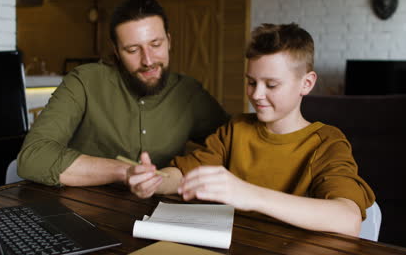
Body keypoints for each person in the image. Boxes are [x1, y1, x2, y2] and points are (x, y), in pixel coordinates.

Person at [126, 23, 375, 237]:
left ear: (306, 83)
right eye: (251, 82)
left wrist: (250, 195)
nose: (256, 95)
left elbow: (348, 220)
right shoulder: (237, 128)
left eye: (272, 84)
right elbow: (184, 173)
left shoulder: (327, 143)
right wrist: (155, 181)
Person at [17, 0, 228, 187]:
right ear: (117, 52)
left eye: (155, 44)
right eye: (133, 50)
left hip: (158, 215)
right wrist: (124, 171)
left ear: (169, 41)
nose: (148, 60)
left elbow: (233, 146)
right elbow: (33, 158)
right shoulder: (84, 81)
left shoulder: (189, 92)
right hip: (82, 211)